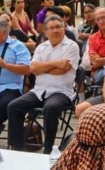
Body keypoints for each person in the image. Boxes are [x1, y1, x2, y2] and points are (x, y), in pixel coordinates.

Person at [6, 15, 80, 154]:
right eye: (51, 28)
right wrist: (55, 63)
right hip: (39, 91)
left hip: (61, 92)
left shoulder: (72, 46)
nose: (55, 30)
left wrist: (44, 68)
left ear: (64, 28)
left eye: (58, 27)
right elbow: (33, 68)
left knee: (50, 108)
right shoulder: (41, 47)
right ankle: (17, 148)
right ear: (45, 32)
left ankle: (47, 149)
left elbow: (63, 70)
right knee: (14, 106)